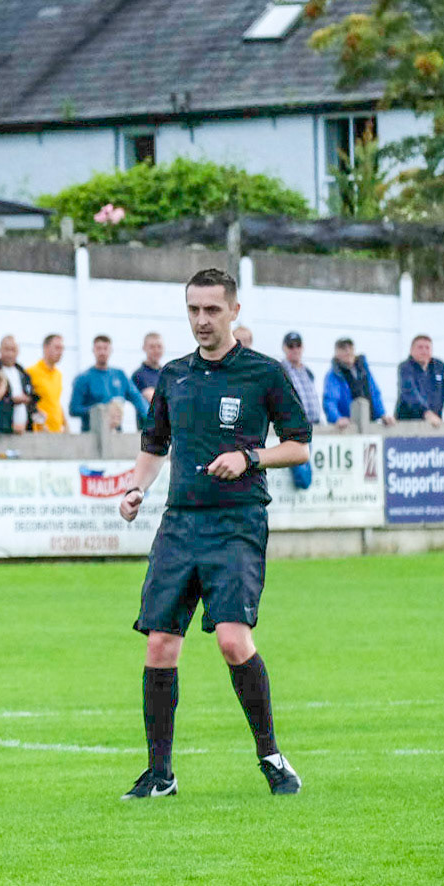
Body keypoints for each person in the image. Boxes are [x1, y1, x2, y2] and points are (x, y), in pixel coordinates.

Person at [117, 268, 311, 801]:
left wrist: (250, 457)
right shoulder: (174, 376)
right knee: (160, 643)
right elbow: (154, 446)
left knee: (231, 640)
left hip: (237, 521)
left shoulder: (263, 373)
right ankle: (160, 774)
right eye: (193, 310)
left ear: (233, 311)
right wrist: (135, 489)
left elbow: (298, 445)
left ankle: (271, 757)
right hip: (180, 523)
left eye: (212, 310)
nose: (201, 320)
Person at [68, 336, 149, 431]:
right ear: (93, 350)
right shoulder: (83, 378)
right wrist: (100, 410)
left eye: (105, 348)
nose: (102, 352)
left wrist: (150, 419)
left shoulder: (120, 375)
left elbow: (138, 399)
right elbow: (73, 409)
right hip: (92, 434)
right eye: (99, 348)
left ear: (111, 350)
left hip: (116, 433)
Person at [279, 332, 321, 490]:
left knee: (307, 470)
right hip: (295, 427)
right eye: (291, 346)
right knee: (302, 476)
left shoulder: (307, 371)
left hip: (313, 426)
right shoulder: (281, 370)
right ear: (284, 348)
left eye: (298, 345)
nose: (295, 349)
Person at [395, 335, 444, 426]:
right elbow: (409, 393)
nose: (424, 351)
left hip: (434, 425)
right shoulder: (405, 368)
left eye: (427, 348)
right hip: (407, 425)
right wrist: (426, 413)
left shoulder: (440, 367)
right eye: (420, 347)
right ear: (411, 350)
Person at [322, 338, 389, 430]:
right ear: (336, 353)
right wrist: (337, 418)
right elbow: (330, 400)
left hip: (370, 424)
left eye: (350, 348)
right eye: (343, 349)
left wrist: (383, 415)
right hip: (347, 428)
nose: (348, 351)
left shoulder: (364, 371)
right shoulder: (334, 375)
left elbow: (375, 393)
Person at [0, 335, 39, 431]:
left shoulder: (23, 374)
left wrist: (34, 410)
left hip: (24, 430)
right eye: (6, 349)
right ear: (0, 350)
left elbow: (30, 399)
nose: (10, 354)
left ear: (18, 352)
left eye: (13, 350)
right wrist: (11, 401)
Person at [28, 334, 67, 432]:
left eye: (62, 348)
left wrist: (66, 425)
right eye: (57, 348)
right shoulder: (31, 372)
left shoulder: (58, 374)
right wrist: (41, 424)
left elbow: (56, 401)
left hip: (57, 431)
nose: (60, 352)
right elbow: (29, 403)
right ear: (45, 348)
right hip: (40, 431)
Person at [133, 332, 165, 399]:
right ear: (144, 348)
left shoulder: (167, 374)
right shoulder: (138, 376)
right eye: (152, 347)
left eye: (159, 347)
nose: (156, 350)